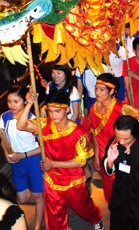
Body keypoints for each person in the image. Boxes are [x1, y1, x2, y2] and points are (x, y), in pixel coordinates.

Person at [18, 90, 103, 230]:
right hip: (52, 180)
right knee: (54, 216)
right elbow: (21, 125)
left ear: (67, 109)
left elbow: (81, 162)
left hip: (73, 181)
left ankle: (95, 219)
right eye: (50, 111)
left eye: (57, 111)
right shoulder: (45, 125)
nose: (53, 115)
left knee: (83, 208)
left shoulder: (79, 133)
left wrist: (53, 164)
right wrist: (29, 104)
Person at [88, 73, 139, 205]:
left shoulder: (121, 108)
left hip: (120, 154)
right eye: (96, 88)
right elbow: (96, 133)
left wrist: (133, 144)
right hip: (104, 156)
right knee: (109, 187)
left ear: (112, 91)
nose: (97, 92)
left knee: (124, 184)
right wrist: (97, 156)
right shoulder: (93, 109)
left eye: (102, 89)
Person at [0, 84, 44, 230]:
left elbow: (43, 147)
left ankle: (38, 224)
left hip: (32, 161)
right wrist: (7, 154)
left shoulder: (32, 119)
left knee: (37, 196)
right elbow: (3, 138)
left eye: (16, 101)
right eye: (9, 101)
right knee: (23, 199)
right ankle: (44, 203)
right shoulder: (4, 117)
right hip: (16, 163)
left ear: (25, 101)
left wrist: (22, 155)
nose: (12, 105)